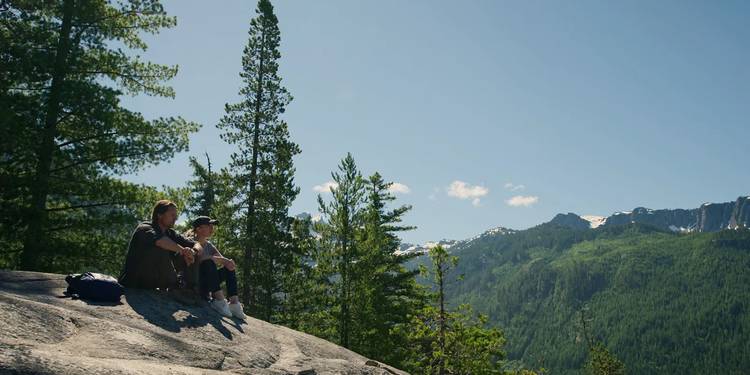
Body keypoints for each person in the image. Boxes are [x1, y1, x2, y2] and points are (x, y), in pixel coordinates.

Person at [118, 200, 201, 290]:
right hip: (135, 279)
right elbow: (161, 242)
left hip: (154, 279)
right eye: (172, 215)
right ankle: (175, 284)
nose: (175, 218)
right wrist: (184, 251)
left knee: (194, 253)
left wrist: (193, 251)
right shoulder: (145, 227)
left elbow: (197, 244)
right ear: (159, 215)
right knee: (160, 249)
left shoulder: (170, 233)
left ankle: (191, 289)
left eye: (176, 216)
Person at [187, 216, 246, 320]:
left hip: (207, 282)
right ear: (198, 229)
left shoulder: (209, 245)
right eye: (208, 226)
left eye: (212, 226)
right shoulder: (189, 241)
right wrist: (218, 259)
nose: (211, 228)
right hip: (195, 281)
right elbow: (198, 259)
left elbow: (222, 260)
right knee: (208, 262)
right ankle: (219, 300)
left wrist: (228, 262)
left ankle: (234, 303)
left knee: (229, 267)